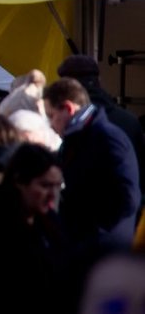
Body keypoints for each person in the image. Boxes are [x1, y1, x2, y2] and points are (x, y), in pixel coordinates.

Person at [0, 143, 71, 313]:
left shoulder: (48, 222)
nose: (53, 194)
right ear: (20, 181)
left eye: (57, 186)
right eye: (45, 186)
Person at [44, 77, 141, 249]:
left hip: (104, 250)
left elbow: (129, 198)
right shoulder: (77, 139)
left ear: (68, 107)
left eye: (51, 116)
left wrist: (94, 231)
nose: (51, 125)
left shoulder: (107, 138)